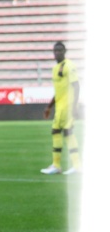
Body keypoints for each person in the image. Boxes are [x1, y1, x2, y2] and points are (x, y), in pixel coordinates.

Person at [41, 41, 81, 175]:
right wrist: (49, 107)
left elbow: (76, 86)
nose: (57, 53)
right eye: (55, 51)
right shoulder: (55, 68)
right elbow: (58, 91)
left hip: (67, 106)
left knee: (56, 131)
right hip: (60, 106)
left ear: (65, 52)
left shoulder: (69, 66)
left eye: (60, 50)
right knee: (68, 133)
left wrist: (75, 106)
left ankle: (57, 165)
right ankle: (76, 165)